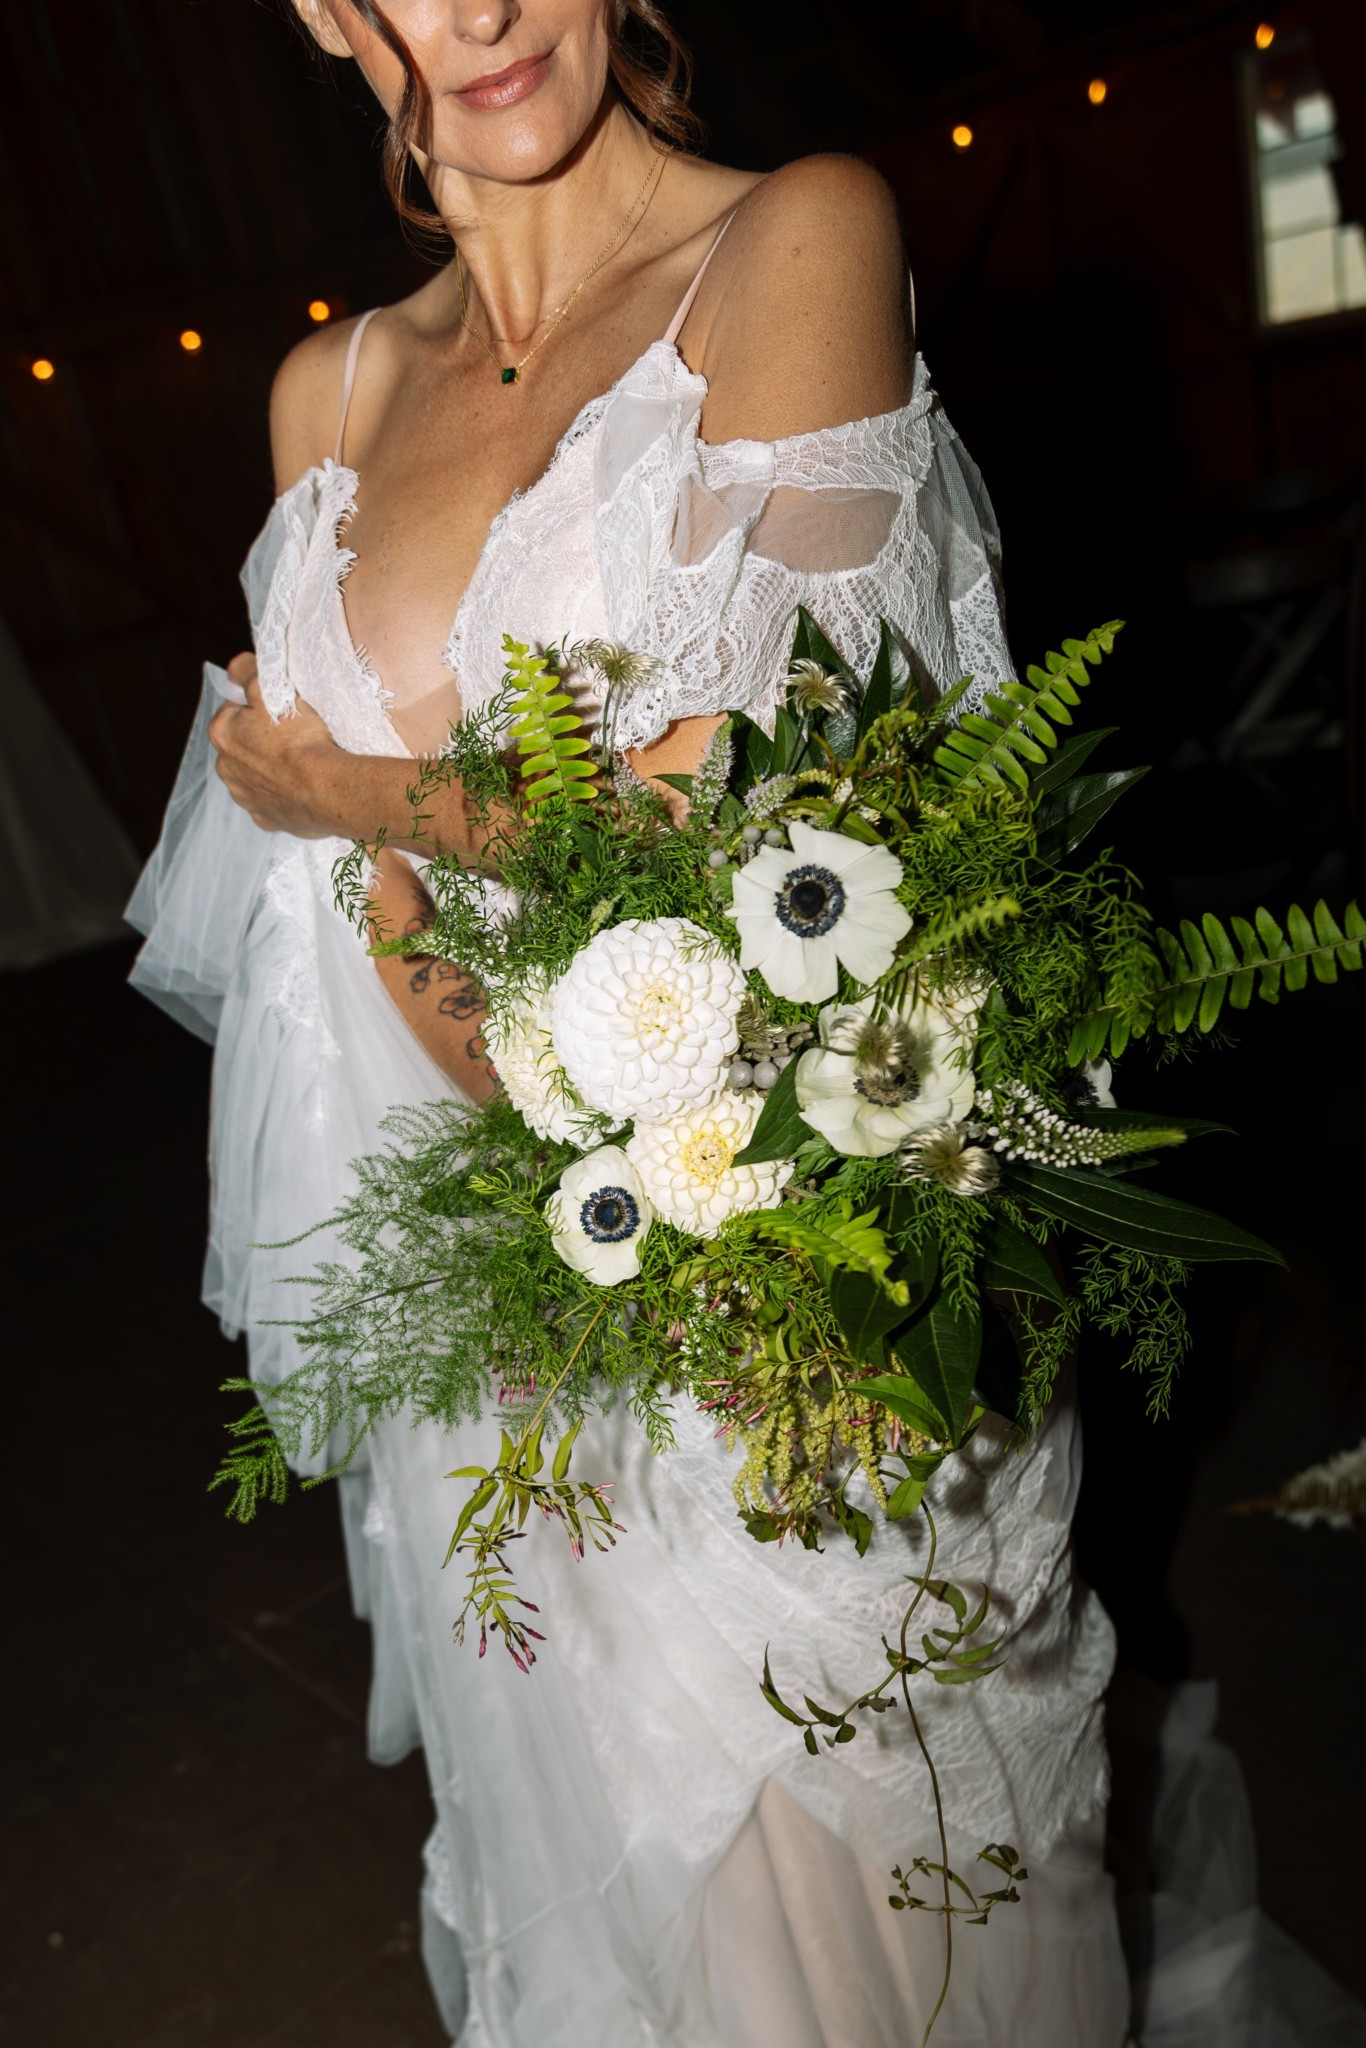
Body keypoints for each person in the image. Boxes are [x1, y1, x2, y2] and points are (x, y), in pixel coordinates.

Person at [128, 3, 1134, 2041]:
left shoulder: (789, 243)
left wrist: (352, 795)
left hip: (790, 1259)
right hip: (513, 1304)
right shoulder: (324, 394)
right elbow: (365, 939)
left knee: (861, 1904)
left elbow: (750, 812)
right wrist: (489, 1119)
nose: (484, 10)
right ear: (332, 15)